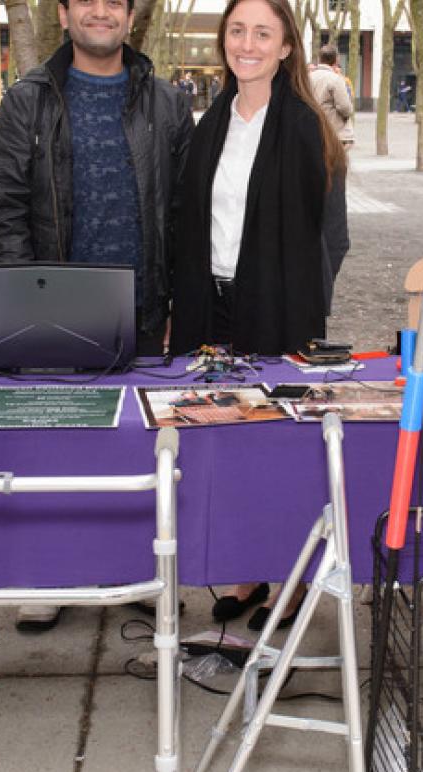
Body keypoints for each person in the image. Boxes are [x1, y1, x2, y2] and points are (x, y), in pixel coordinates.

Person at [0, 0, 193, 633]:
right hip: (53, 307)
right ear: (66, 14)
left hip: (145, 308)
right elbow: (5, 207)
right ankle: (48, 573)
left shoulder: (168, 103)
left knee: (140, 446)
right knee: (53, 446)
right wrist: (23, 298)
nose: (100, 11)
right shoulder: (28, 102)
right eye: (86, 1)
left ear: (131, 17)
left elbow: (185, 211)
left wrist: (183, 304)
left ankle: (138, 572)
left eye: (114, 2)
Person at [168, 0, 346, 624]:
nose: (247, 43)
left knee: (278, 444)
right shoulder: (209, 122)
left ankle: (290, 579)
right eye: (238, 30)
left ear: (285, 47)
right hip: (209, 305)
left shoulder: (303, 126)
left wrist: (304, 314)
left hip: (277, 311)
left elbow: (330, 236)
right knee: (221, 440)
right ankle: (245, 575)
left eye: (262, 33)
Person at [307, 44, 352, 312]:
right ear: (335, 59)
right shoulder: (335, 79)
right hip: (330, 142)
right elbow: (345, 108)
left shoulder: (307, 78)